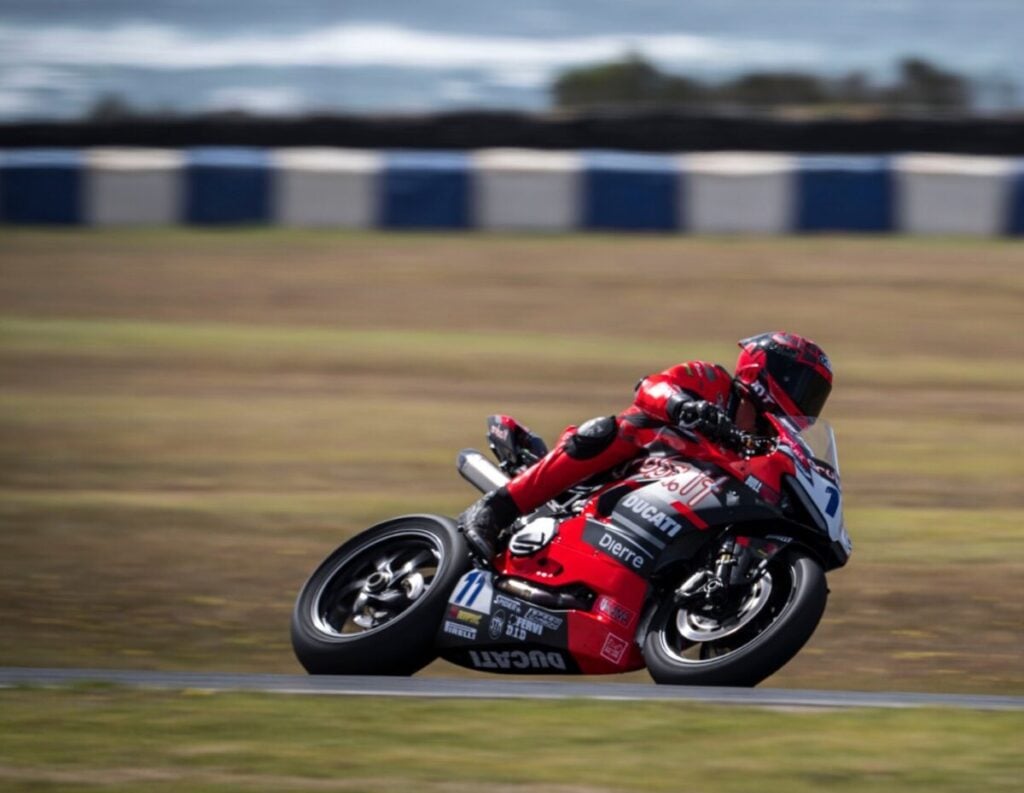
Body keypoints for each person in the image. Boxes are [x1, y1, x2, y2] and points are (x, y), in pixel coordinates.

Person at [459, 331, 833, 561]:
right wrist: (686, 406)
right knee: (613, 428)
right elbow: (650, 388)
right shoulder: (710, 379)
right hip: (628, 468)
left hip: (676, 505)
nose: (805, 401)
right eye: (800, 385)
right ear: (764, 370)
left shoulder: (766, 442)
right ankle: (496, 508)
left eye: (813, 395)